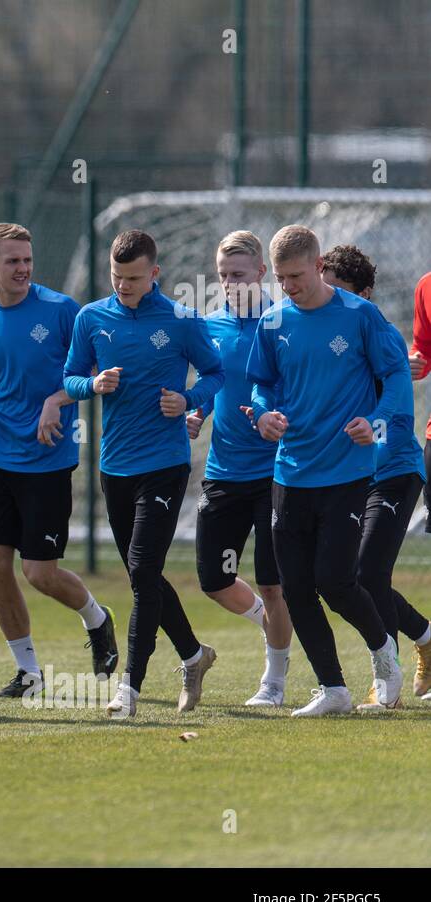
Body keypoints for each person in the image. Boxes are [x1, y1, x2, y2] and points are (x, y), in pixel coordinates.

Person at [0, 222, 117, 698]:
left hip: (47, 459)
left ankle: (97, 618)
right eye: (12, 261)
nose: (22, 269)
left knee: (39, 572)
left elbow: (90, 375)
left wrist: (53, 402)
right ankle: (28, 673)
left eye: (27, 260)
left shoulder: (63, 311)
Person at [63, 229, 224, 718]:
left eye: (133, 278)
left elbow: (215, 374)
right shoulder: (91, 318)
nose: (123, 286)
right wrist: (92, 384)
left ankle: (128, 688)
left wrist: (190, 400)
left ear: (154, 273)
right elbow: (69, 378)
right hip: (115, 466)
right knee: (144, 574)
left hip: (165, 465)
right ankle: (195, 655)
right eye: (116, 277)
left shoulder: (181, 320)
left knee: (141, 570)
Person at [246, 225, 407, 716]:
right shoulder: (272, 322)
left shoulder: (360, 316)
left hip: (345, 472)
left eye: (296, 275)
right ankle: (332, 689)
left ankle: (385, 657)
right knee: (295, 587)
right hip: (289, 472)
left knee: (335, 581)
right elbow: (260, 386)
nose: (288, 286)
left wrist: (375, 420)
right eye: (280, 278)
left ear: (318, 266)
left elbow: (396, 375)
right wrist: (264, 414)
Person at [320, 244, 431, 704]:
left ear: (364, 293)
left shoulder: (378, 335)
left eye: (339, 290)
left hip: (394, 471)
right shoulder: (317, 333)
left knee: (367, 573)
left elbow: (399, 409)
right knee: (347, 577)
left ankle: (389, 678)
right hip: (348, 476)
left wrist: (374, 427)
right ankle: (425, 640)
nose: (329, 299)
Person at [186, 231, 294, 706]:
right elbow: (213, 382)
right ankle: (269, 624)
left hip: (276, 473)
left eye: (239, 275)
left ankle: (273, 682)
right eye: (223, 275)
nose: (230, 283)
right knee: (214, 579)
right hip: (222, 472)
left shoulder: (284, 323)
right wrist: (197, 411)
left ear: (261, 274)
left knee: (273, 582)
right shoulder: (209, 325)